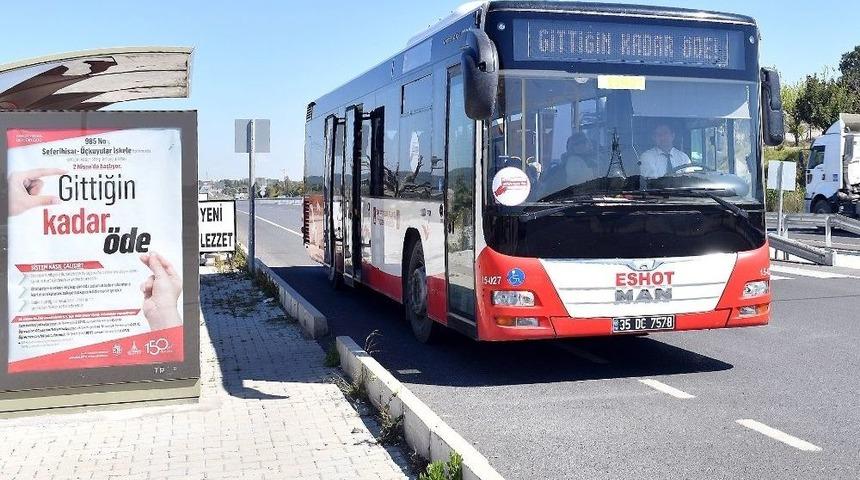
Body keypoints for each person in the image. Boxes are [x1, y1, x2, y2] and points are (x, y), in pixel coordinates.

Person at [538, 132, 597, 197]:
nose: (584, 145)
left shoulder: (595, 159)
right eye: (578, 143)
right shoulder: (574, 161)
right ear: (572, 147)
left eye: (585, 142)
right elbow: (580, 183)